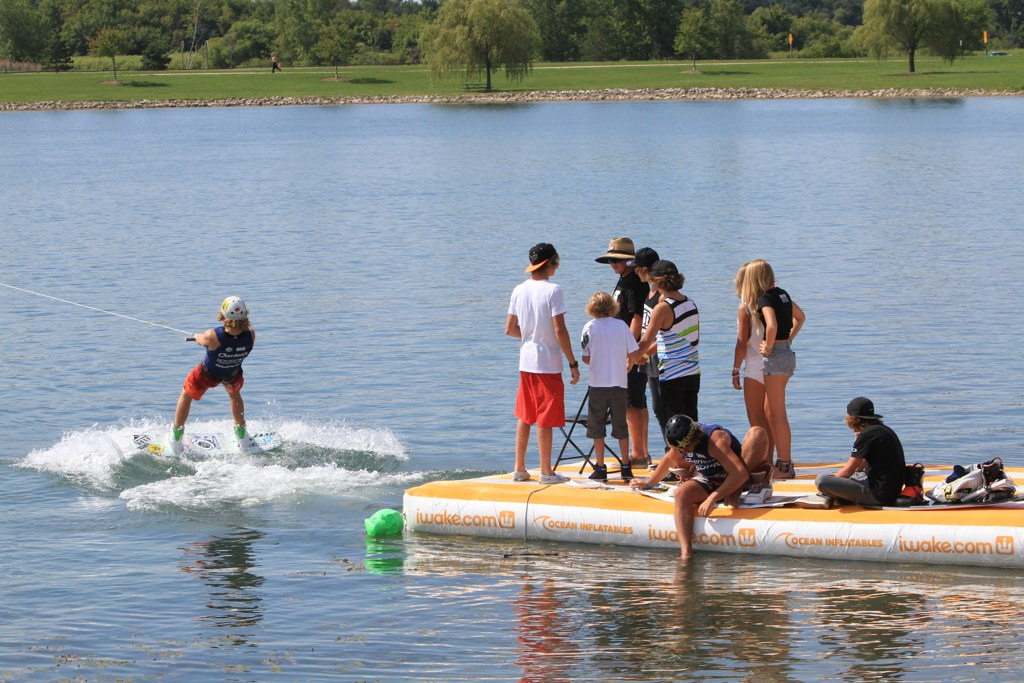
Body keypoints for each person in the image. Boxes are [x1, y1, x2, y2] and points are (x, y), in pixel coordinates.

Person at [631, 414, 771, 559]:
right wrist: (649, 483)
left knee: (757, 433)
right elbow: (668, 461)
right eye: (678, 449)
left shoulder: (715, 440)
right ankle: (686, 552)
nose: (682, 452)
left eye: (684, 448)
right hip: (711, 478)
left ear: (693, 439)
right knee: (681, 494)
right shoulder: (680, 444)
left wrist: (712, 498)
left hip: (736, 474)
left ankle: (736, 489)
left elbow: (739, 474)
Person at [506, 243, 581, 484]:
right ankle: (546, 472)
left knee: (525, 415)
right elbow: (560, 330)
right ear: (549, 263)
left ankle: (519, 468)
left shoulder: (518, 289)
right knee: (546, 417)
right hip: (548, 362)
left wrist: (531, 335)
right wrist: (572, 362)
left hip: (526, 360)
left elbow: (510, 329)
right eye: (556, 260)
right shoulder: (554, 290)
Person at [740, 259, 805, 480]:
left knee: (777, 413)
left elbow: (772, 325)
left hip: (776, 356)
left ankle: (785, 466)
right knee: (772, 411)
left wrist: (768, 346)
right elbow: (801, 317)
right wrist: (788, 340)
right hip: (786, 353)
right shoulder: (782, 294)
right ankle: (781, 463)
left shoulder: (764, 299)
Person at [172, 296, 255, 455]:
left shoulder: (212, 336)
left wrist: (196, 335)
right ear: (245, 314)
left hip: (208, 374)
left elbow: (201, 340)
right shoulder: (250, 334)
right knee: (234, 395)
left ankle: (176, 437)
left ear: (223, 315)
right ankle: (242, 435)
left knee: (186, 394)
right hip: (232, 373)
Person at [595, 237, 650, 468]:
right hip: (624, 350)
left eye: (617, 260)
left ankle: (638, 454)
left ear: (629, 261)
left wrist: (630, 350)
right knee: (632, 400)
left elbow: (637, 317)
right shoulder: (623, 280)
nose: (613, 263)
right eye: (611, 260)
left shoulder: (635, 284)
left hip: (630, 350)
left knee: (633, 401)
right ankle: (640, 453)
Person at [580, 291, 644, 481]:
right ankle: (625, 464)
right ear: (612, 307)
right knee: (621, 424)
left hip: (598, 383)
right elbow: (633, 352)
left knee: (597, 425)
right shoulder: (622, 325)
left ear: (592, 308)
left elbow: (585, 357)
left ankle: (600, 466)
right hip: (619, 382)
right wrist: (627, 362)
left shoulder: (589, 327)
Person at [635, 260, 700, 428]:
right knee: (692, 426)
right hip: (692, 373)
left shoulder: (662, 308)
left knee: (676, 429)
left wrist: (628, 357)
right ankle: (694, 455)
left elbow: (644, 342)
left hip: (672, 375)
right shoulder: (690, 303)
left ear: (656, 282)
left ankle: (677, 454)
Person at [809, 398, 906, 508]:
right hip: (890, 491)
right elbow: (859, 468)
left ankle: (831, 495)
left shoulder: (866, 434)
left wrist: (830, 483)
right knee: (854, 476)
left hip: (877, 495)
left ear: (852, 418)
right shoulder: (883, 430)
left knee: (822, 480)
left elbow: (848, 471)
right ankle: (841, 495)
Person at [731, 262, 774, 461]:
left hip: (755, 364)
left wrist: (735, 369)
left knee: (756, 420)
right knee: (771, 418)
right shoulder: (773, 303)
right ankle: (773, 460)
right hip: (775, 361)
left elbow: (742, 342)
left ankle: (761, 461)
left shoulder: (746, 307)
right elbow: (798, 318)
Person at [634, 247, 666, 461]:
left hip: (658, 356)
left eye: (637, 270)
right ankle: (669, 452)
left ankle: (671, 453)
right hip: (648, 356)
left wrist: (644, 353)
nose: (636, 274)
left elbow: (663, 334)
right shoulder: (649, 292)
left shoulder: (662, 296)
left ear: (646, 270)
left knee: (664, 406)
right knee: (657, 407)